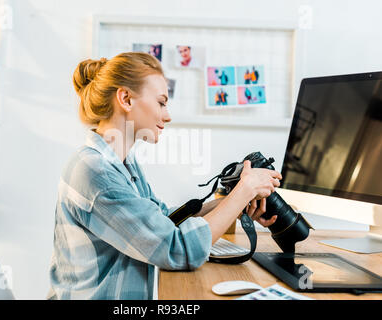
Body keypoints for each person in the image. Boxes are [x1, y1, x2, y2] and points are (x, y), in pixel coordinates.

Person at [47, 52, 281, 300]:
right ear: (125, 99)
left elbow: (163, 219)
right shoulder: (95, 171)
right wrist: (244, 190)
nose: (167, 115)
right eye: (161, 102)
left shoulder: (121, 163)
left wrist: (231, 203)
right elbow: (175, 248)